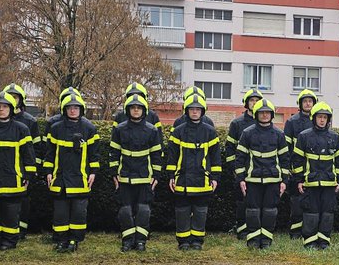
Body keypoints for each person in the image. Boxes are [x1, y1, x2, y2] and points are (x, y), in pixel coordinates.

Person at [0, 90, 36, 250]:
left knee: (11, 214)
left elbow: (28, 155)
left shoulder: (21, 129)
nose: (1, 109)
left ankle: (9, 242)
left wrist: (29, 175)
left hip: (13, 179)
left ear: (11, 108)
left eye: (5, 106)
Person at [42, 91, 101, 252]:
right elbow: (50, 153)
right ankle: (61, 241)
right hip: (59, 178)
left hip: (80, 178)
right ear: (64, 109)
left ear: (81, 109)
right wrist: (48, 171)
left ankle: (75, 240)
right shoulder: (55, 128)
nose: (73, 110)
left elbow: (94, 155)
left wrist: (93, 172)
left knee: (78, 213)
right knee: (60, 212)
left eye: (76, 107)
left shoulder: (89, 128)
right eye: (70, 108)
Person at [107, 93, 164, 251]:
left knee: (143, 210)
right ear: (128, 110)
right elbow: (113, 153)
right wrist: (114, 175)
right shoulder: (119, 129)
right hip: (124, 177)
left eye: (139, 108)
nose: (136, 110)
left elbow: (156, 155)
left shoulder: (152, 130)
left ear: (144, 110)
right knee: (125, 210)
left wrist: (156, 177)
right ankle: (127, 240)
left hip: (145, 178)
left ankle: (141, 242)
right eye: (133, 107)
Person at [165, 90, 221, 250]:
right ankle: (183, 241)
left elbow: (215, 157)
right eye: (192, 109)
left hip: (203, 180)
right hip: (181, 180)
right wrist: (171, 176)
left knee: (200, 212)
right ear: (187, 110)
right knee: (182, 211)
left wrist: (215, 177)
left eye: (197, 109)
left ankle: (197, 241)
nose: (195, 112)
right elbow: (172, 157)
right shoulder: (178, 131)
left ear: (202, 111)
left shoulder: (210, 131)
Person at [235, 98, 290, 249]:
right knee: (252, 211)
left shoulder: (279, 134)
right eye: (261, 112)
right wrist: (241, 179)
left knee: (270, 212)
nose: (265, 115)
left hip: (273, 180)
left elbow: (285, 159)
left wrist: (284, 181)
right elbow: (240, 158)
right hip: (252, 180)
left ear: (272, 115)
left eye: (267, 113)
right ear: (256, 114)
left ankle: (266, 241)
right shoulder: (247, 133)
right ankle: (253, 240)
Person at [292, 101, 339, 249]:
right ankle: (310, 242)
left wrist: (338, 180)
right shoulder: (304, 136)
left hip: (329, 184)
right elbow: (298, 160)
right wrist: (299, 180)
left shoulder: (334, 137)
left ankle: (324, 241)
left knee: (327, 213)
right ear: (314, 118)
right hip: (310, 183)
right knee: (310, 213)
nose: (322, 120)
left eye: (325, 117)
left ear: (328, 119)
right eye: (319, 117)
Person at [225, 88, 263, 240]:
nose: (254, 103)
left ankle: (256, 229)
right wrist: (235, 168)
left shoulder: (263, 122)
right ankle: (242, 230)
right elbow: (229, 147)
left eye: (257, 100)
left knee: (258, 202)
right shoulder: (237, 123)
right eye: (252, 100)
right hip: (242, 169)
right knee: (242, 201)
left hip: (259, 170)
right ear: (246, 103)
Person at [4, 84, 39, 244]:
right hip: (4, 170)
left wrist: (31, 170)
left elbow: (36, 148)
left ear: (21, 100)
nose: (12, 99)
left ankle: (21, 229)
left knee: (23, 201)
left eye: (15, 96)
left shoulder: (30, 121)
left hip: (22, 170)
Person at [284, 88, 318, 239]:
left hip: (315, 169)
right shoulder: (292, 122)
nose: (308, 104)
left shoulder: (319, 119)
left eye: (310, 101)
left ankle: (310, 230)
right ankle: (295, 232)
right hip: (297, 167)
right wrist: (290, 167)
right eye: (305, 101)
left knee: (313, 201)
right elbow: (286, 147)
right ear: (300, 104)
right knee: (296, 202)